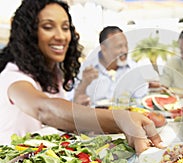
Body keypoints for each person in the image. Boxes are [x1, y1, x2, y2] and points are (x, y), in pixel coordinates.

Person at [0, 0, 164, 154]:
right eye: (48, 27)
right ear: (28, 32)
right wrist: (119, 119)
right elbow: (44, 109)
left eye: (65, 28)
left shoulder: (54, 74)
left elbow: (63, 117)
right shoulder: (13, 76)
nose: (61, 36)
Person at [72, 26, 144, 106]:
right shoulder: (86, 69)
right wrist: (83, 84)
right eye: (119, 46)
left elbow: (141, 101)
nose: (124, 50)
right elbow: (71, 102)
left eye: (126, 45)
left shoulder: (134, 69)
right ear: (104, 49)